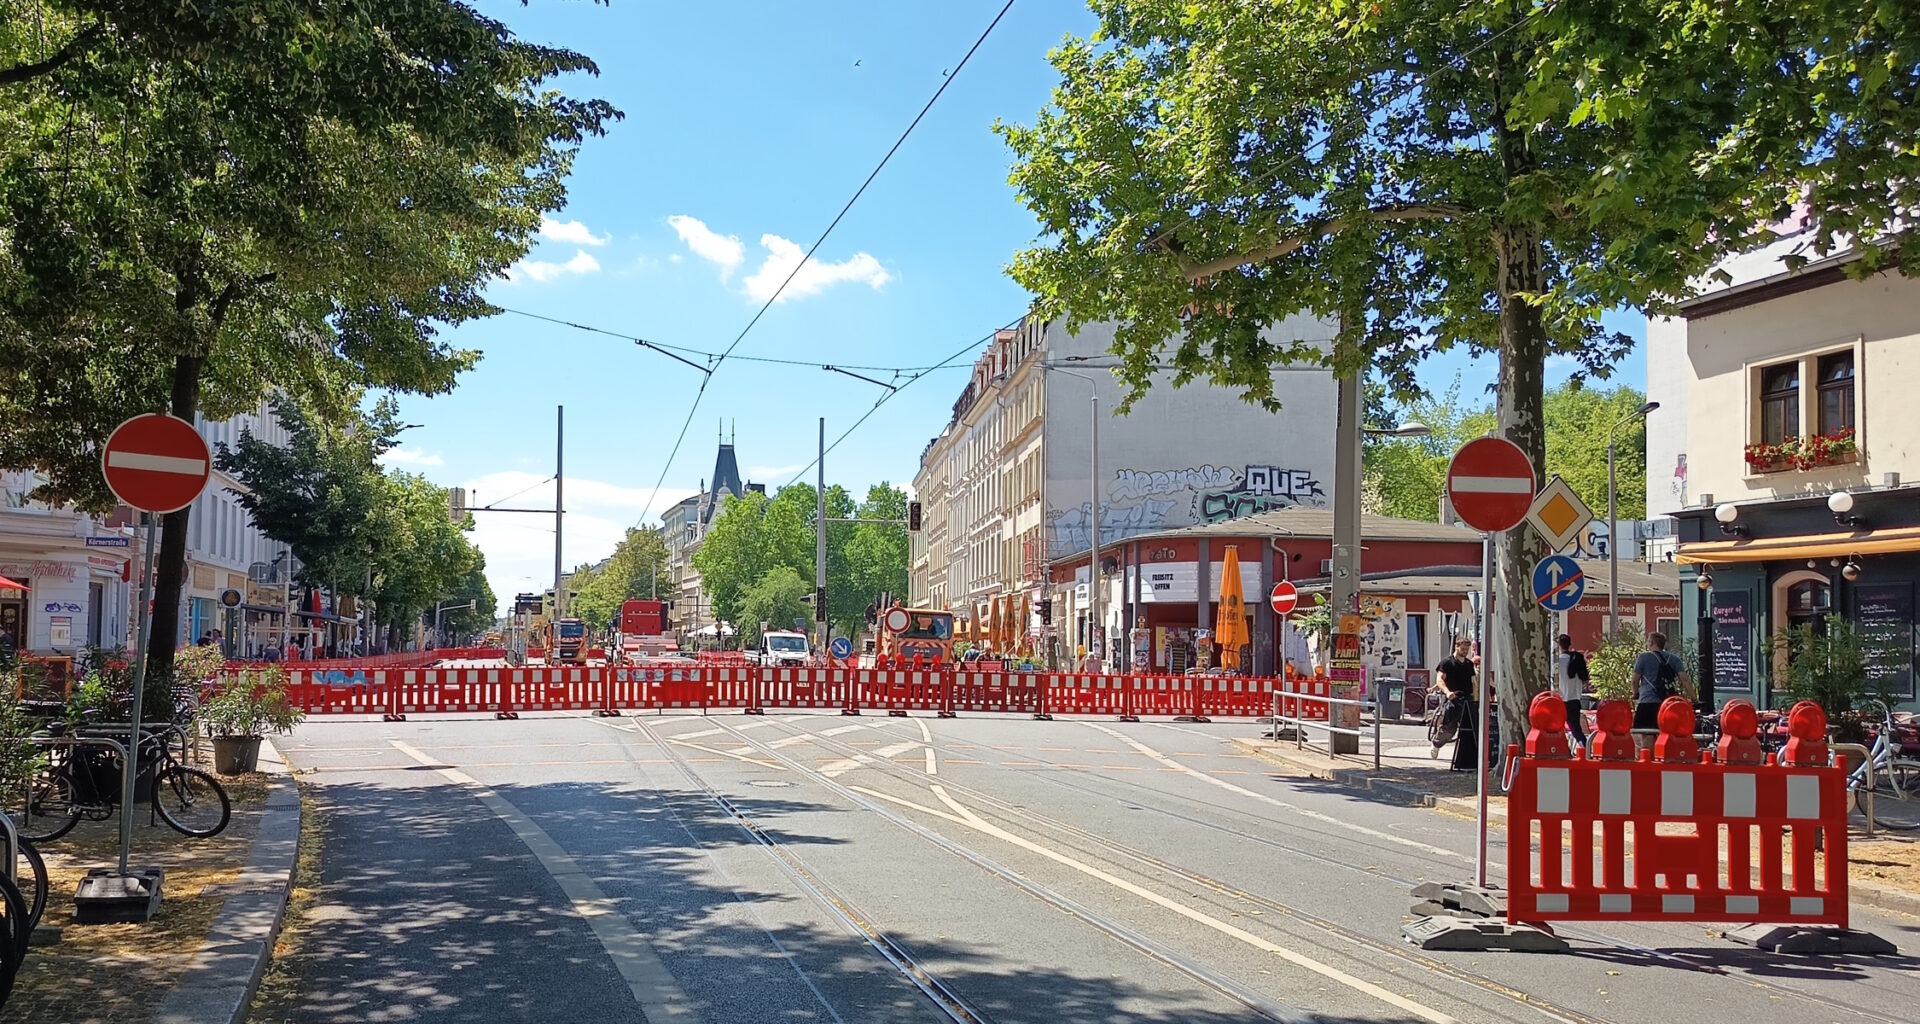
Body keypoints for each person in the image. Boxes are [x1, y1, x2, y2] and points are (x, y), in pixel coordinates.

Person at [1431, 638, 1479, 770]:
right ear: (1456, 647)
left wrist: (1475, 699)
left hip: (1468, 698)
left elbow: (1474, 682)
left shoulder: (1469, 664)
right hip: (1453, 698)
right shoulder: (1447, 663)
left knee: (1470, 729)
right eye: (1462, 649)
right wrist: (1447, 693)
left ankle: (1467, 759)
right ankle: (1437, 743)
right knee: (1449, 728)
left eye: (1467, 649)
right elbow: (1440, 680)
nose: (1465, 651)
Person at [1630, 632, 1693, 731]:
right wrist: (1694, 698)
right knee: (1666, 732)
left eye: (1648, 641)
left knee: (1644, 734)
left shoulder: (1643, 658)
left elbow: (1634, 680)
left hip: (1647, 702)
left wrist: (1635, 693)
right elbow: (1685, 680)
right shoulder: (1674, 659)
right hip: (1668, 705)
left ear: (1651, 643)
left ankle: (1649, 747)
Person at [1556, 634, 1590, 746]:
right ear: (1570, 644)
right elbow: (1584, 679)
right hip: (1575, 700)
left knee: (1555, 729)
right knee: (1576, 729)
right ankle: (1585, 748)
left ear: (1559, 645)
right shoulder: (1577, 660)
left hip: (1560, 700)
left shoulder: (1557, 662)